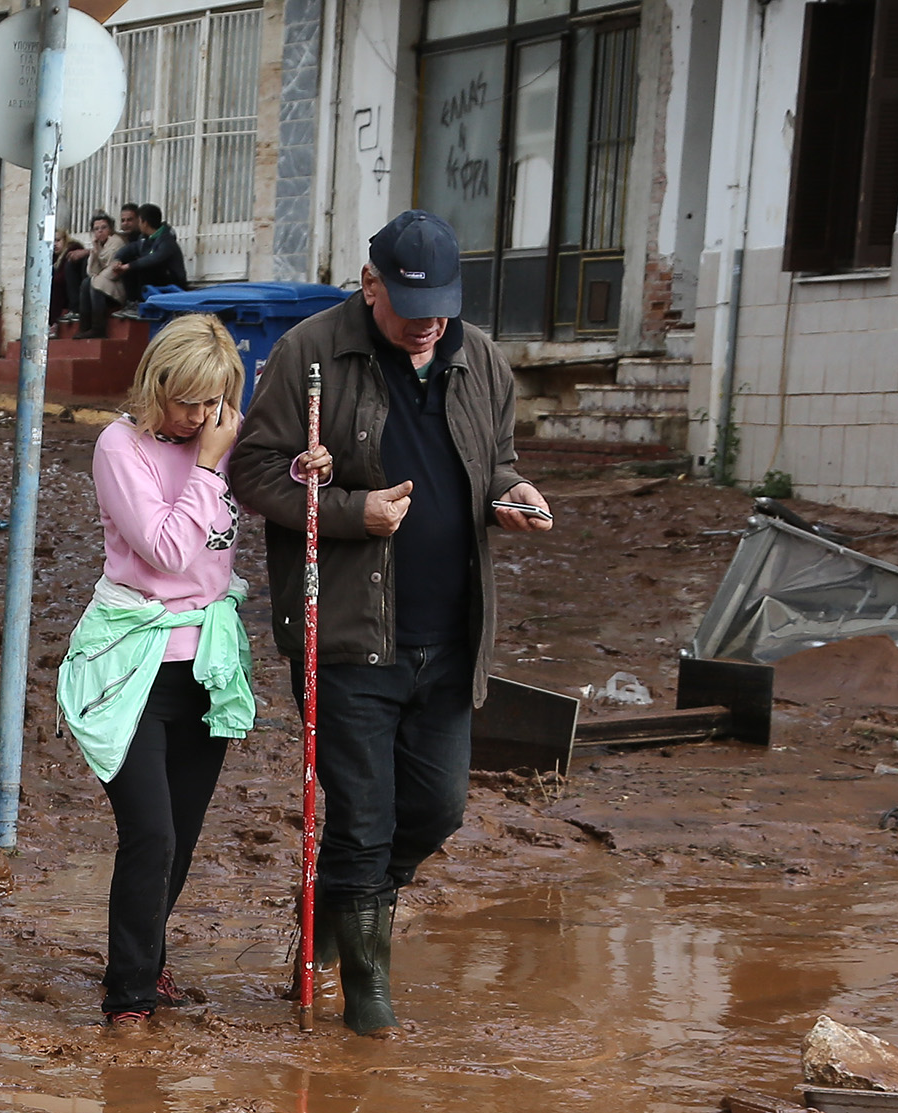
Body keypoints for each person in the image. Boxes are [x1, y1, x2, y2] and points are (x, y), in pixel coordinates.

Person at [227, 209, 549, 1035]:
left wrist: (510, 497)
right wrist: (347, 510)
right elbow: (254, 471)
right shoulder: (309, 354)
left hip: (451, 635)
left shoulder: (479, 360)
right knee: (363, 817)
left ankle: (338, 908)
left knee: (435, 808)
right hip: (346, 636)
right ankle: (366, 994)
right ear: (370, 286)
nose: (429, 323)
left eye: (442, 305)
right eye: (412, 307)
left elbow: (493, 462)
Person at [57, 315, 255, 1029]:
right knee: (151, 833)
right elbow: (169, 549)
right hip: (132, 662)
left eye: (213, 403)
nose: (199, 418)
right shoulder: (121, 446)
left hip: (205, 661)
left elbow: (263, 489)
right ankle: (129, 996)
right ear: (156, 386)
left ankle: (146, 956)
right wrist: (206, 465)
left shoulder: (222, 438)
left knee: (183, 832)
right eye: (186, 401)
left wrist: (303, 468)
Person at [114, 204, 186, 306]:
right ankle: (132, 303)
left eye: (139, 221)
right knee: (130, 266)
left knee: (143, 268)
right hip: (158, 278)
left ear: (145, 223)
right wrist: (118, 259)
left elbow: (155, 258)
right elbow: (130, 249)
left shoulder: (166, 239)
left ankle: (143, 303)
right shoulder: (144, 238)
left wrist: (129, 266)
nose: (138, 225)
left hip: (173, 280)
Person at [73, 211, 119, 336]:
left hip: (117, 286)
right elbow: (92, 271)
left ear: (111, 229)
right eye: (96, 229)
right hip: (105, 284)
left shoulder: (116, 242)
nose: (100, 231)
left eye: (104, 228)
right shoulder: (99, 245)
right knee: (87, 282)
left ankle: (98, 328)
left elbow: (112, 270)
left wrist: (97, 279)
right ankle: (84, 327)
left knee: (95, 283)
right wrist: (95, 251)